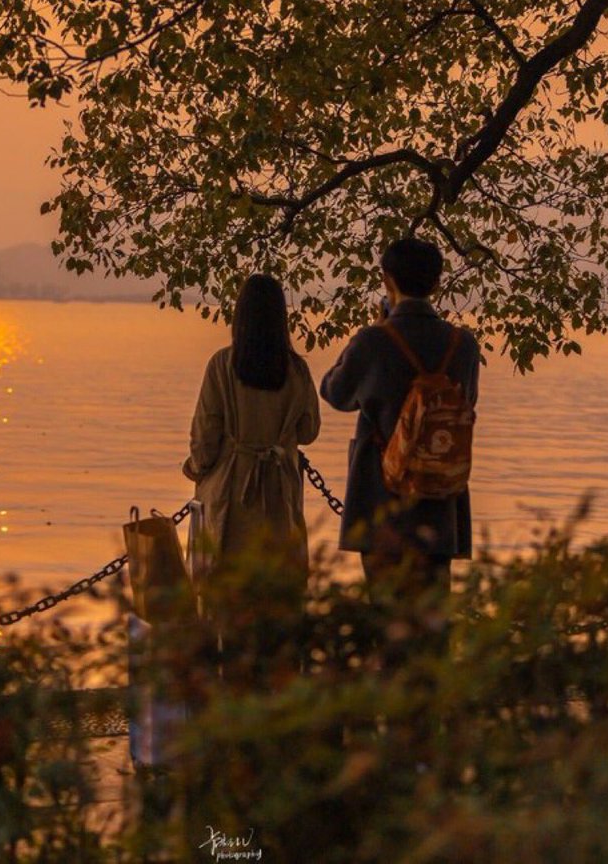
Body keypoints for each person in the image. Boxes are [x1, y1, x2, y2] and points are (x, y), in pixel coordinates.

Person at [320, 238, 480, 596]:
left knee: (384, 611)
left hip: (381, 495)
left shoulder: (373, 340)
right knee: (433, 618)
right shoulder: (463, 344)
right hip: (441, 495)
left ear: (387, 280)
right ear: (437, 283)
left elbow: (335, 393)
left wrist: (371, 332)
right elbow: (468, 403)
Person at [183, 274, 321, 683]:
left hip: (229, 496)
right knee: (278, 601)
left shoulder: (222, 365)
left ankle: (230, 693)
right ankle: (279, 691)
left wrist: (195, 469)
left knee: (226, 601)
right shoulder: (296, 369)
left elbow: (204, 438)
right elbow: (310, 429)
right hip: (279, 497)